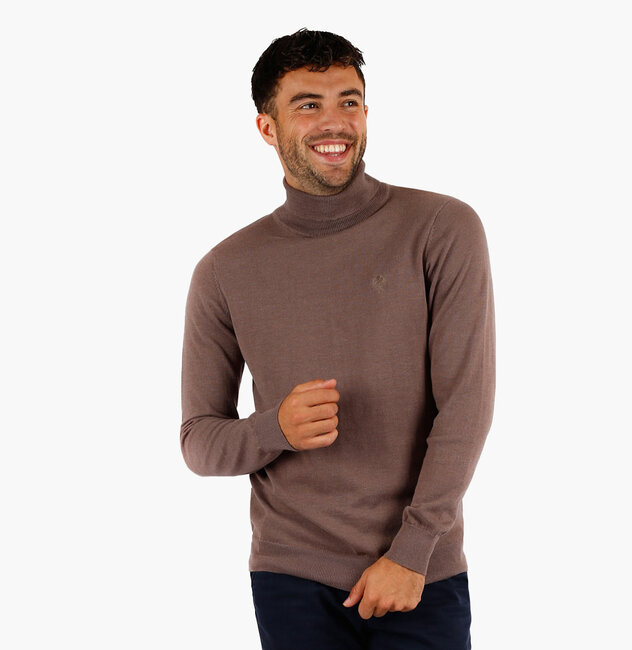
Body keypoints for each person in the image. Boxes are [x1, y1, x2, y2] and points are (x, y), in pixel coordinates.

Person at [180, 28, 496, 650]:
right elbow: (198, 442)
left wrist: (412, 551)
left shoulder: (441, 227)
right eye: (308, 104)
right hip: (291, 576)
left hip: (419, 570)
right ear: (267, 128)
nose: (334, 122)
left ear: (366, 113)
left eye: (348, 101)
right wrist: (273, 429)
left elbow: (466, 406)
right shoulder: (223, 270)